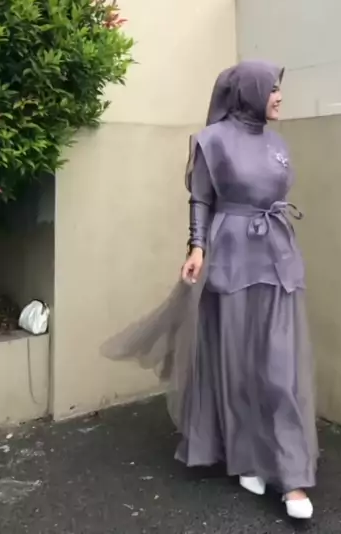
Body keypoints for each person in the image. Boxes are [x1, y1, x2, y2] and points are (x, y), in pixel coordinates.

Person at [103, 61, 318, 520]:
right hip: (231, 254)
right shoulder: (212, 140)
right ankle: (247, 458)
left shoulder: (278, 143)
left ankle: (292, 475)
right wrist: (196, 246)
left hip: (277, 256)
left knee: (279, 367)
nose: (279, 96)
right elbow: (201, 197)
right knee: (236, 364)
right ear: (250, 91)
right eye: (272, 88)